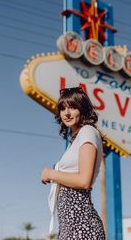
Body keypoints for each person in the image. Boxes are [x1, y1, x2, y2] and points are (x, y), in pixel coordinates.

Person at [41, 87, 105, 240]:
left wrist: (51, 173)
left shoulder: (87, 131)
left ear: (82, 109)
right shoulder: (77, 139)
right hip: (71, 225)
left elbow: (84, 181)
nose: (66, 113)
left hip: (82, 225)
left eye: (73, 107)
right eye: (63, 108)